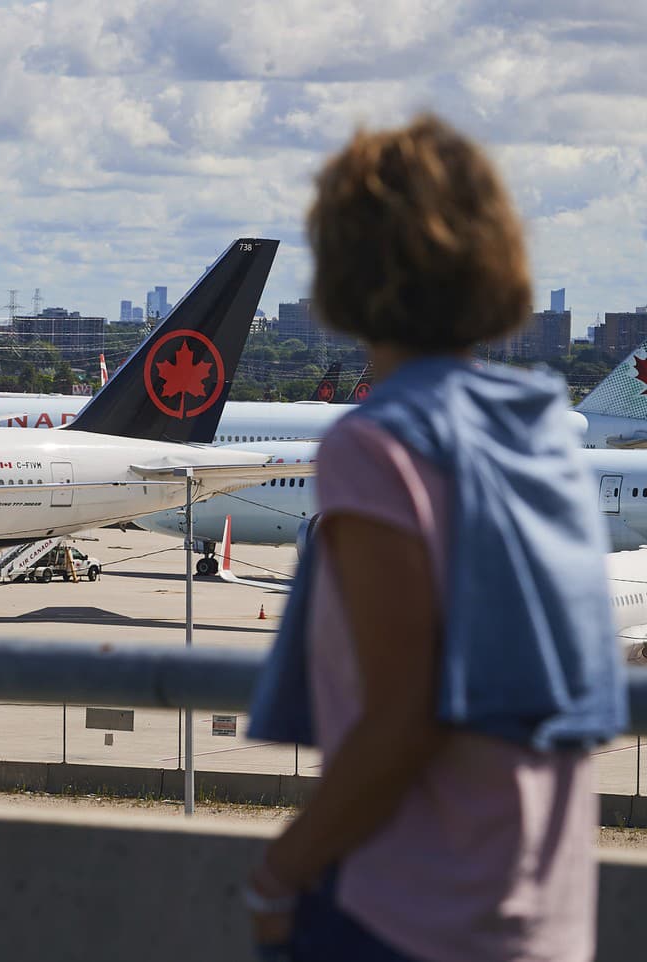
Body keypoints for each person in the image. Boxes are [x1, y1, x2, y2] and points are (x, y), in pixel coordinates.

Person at [245, 115, 625, 961]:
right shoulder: (548, 429)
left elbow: (404, 717)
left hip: (405, 914)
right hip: (545, 914)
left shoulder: (376, 444)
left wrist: (278, 873)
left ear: (343, 271)